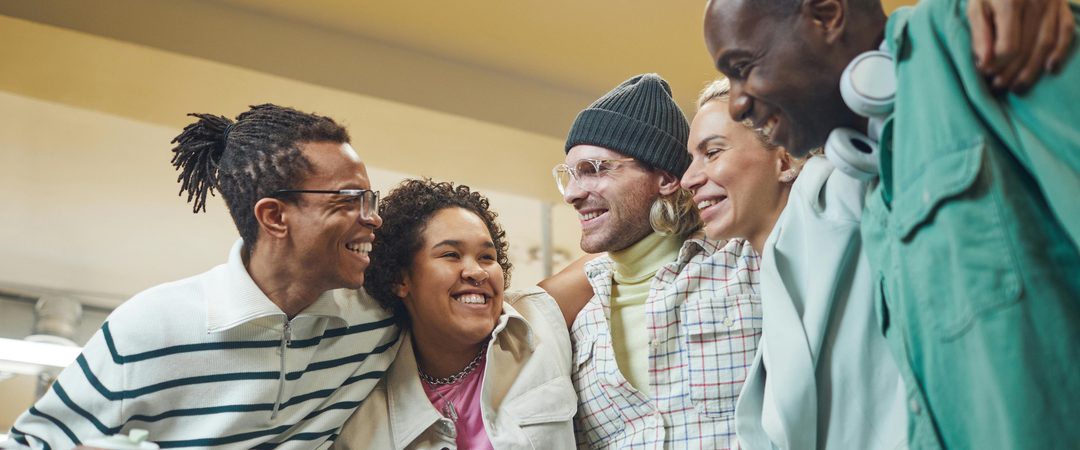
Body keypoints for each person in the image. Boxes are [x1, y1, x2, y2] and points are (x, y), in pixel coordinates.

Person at [704, 0, 1080, 448]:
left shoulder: (971, 35)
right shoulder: (874, 194)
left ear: (827, 15)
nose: (737, 104)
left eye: (743, 67)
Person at [5, 104, 399, 449]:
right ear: (275, 217)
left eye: (371, 199)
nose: (373, 217)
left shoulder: (378, 318)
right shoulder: (149, 327)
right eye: (349, 200)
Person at [684, 77, 907, 449]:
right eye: (691, 159)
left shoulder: (833, 195)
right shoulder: (770, 263)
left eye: (713, 152)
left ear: (785, 160)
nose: (689, 178)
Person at [554, 73, 761, 449]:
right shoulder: (576, 321)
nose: (572, 194)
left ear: (666, 178)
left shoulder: (746, 264)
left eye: (594, 170)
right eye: (568, 175)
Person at [333, 179, 576, 450]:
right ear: (401, 279)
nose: (477, 271)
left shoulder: (537, 319)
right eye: (451, 254)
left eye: (486, 256)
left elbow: (618, 254)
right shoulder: (362, 406)